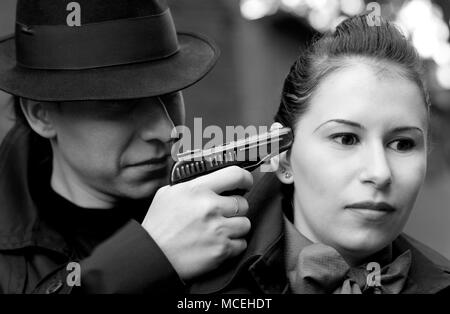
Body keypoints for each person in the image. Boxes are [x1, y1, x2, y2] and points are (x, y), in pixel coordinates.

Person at [0, 0, 253, 294]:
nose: (167, 131)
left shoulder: (233, 206)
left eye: (170, 94)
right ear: (40, 114)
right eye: (120, 104)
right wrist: (148, 258)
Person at [188, 15, 450, 294]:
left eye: (402, 144)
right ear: (283, 156)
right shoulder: (186, 282)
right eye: (346, 138)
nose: (380, 173)